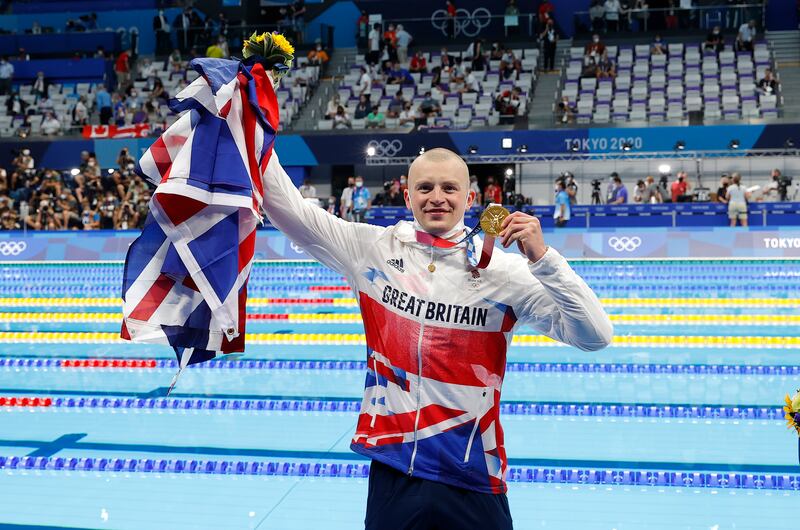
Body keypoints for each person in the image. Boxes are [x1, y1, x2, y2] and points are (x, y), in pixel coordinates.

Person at [260, 147, 612, 530]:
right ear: (408, 196)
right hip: (394, 470)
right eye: (425, 187)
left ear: (470, 198)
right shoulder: (372, 249)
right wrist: (251, 117)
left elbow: (594, 336)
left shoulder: (506, 273)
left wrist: (544, 259)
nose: (437, 197)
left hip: (473, 473)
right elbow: (290, 209)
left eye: (449, 188)